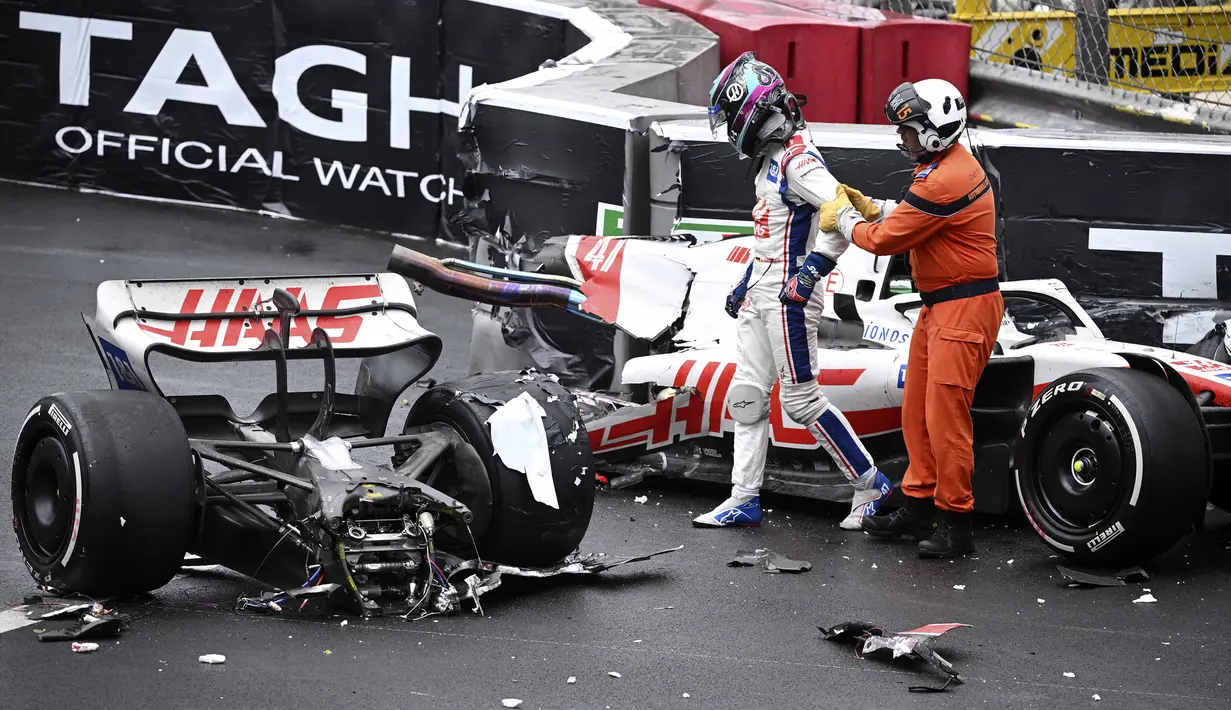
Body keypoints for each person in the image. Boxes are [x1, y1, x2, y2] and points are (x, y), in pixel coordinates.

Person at [691, 52, 893, 530]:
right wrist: (744, 283)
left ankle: (871, 484)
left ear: (751, 113)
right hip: (764, 289)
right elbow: (769, 234)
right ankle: (743, 497)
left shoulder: (800, 160)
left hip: (788, 296)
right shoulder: (774, 157)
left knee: (800, 401)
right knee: (748, 394)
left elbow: (843, 216)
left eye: (731, 118)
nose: (728, 131)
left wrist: (811, 273)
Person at [818, 78, 1004, 558]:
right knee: (917, 411)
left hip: (963, 309)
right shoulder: (943, 168)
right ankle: (920, 501)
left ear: (936, 130)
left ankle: (955, 523)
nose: (902, 139)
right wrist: (869, 207)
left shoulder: (945, 178)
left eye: (909, 130)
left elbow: (883, 240)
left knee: (946, 421)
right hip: (942, 306)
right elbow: (910, 217)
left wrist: (843, 218)